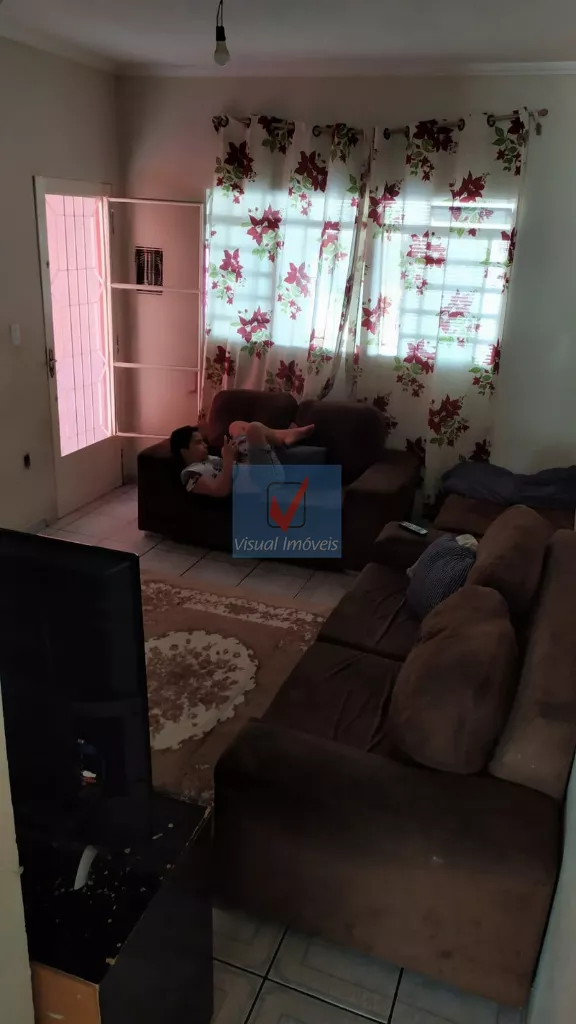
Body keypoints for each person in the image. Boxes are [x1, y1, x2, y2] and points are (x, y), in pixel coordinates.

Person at [169, 420, 315, 498]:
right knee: (253, 429)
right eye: (198, 442)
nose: (205, 445)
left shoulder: (207, 459)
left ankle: (285, 436)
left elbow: (232, 468)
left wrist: (232, 454)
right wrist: (228, 459)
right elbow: (220, 490)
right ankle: (284, 437)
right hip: (262, 482)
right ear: (184, 451)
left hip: (249, 466)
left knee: (236, 425)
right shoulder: (190, 474)